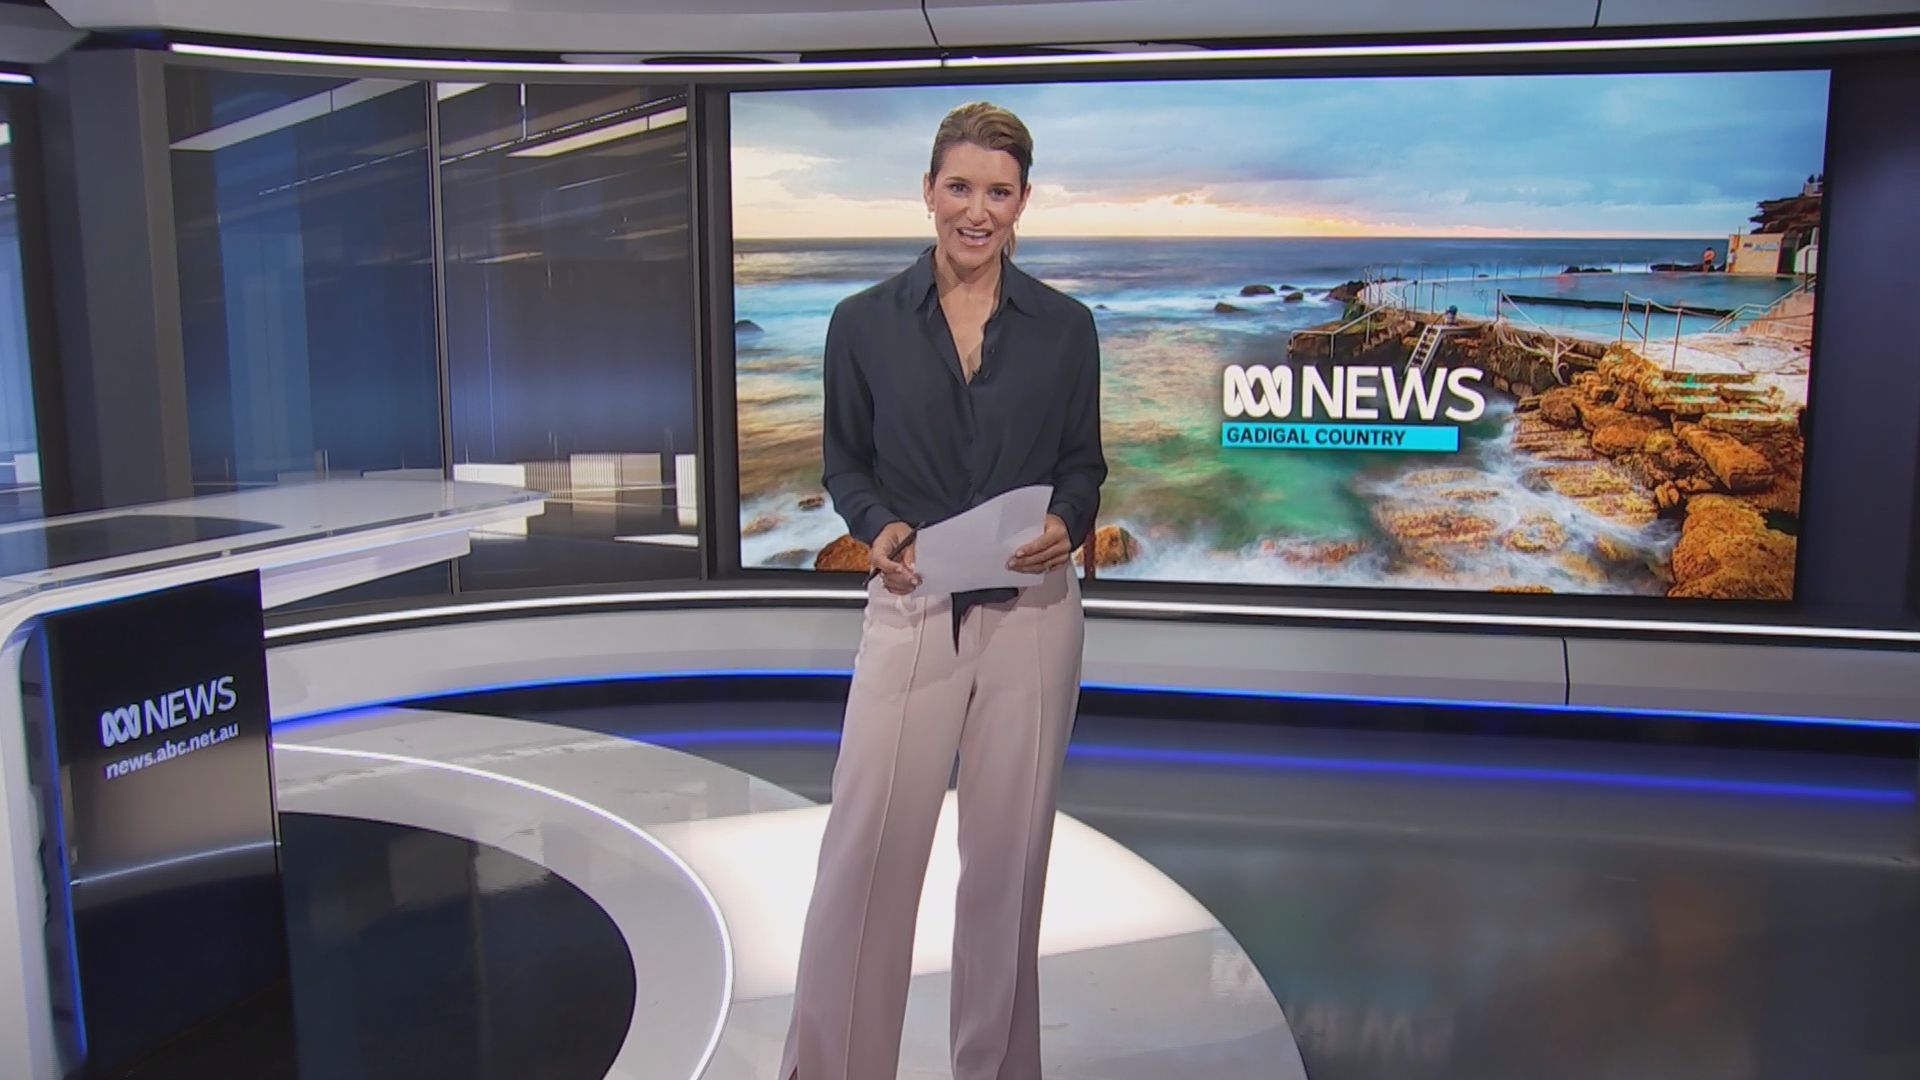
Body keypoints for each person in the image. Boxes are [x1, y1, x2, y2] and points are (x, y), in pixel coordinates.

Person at [777, 101, 1106, 1080]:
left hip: (1033, 617)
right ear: (927, 191)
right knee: (866, 862)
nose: (977, 210)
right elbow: (846, 463)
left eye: (998, 192)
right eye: (959, 187)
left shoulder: (1067, 328)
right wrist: (875, 525)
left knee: (1006, 875)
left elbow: (1083, 464)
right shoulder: (862, 324)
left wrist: (1070, 520)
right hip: (913, 603)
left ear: (1023, 202)